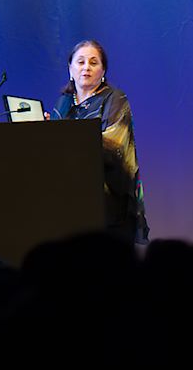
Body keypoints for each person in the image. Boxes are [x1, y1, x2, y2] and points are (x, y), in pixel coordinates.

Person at [51, 39, 150, 243]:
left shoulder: (115, 98)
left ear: (103, 70)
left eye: (93, 62)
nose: (86, 67)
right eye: (80, 62)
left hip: (107, 198)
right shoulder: (63, 102)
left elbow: (113, 143)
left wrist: (65, 137)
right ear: (70, 69)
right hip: (68, 199)